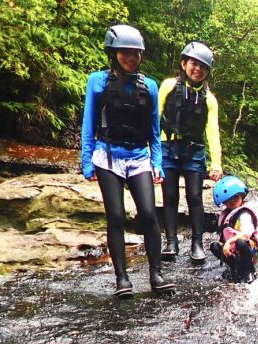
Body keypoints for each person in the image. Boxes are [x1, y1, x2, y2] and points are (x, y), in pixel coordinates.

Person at [81, 24, 174, 297]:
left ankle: (156, 274)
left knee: (149, 213)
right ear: (114, 53)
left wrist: (157, 163)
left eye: (136, 53)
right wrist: (87, 162)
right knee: (116, 216)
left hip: (138, 157)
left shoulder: (150, 86)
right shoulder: (97, 81)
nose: (131, 58)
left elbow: (155, 130)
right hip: (107, 156)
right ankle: (122, 279)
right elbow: (88, 124)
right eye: (125, 53)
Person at [158, 42, 223, 262]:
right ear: (184, 63)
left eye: (203, 67)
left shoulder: (209, 99)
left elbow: (212, 132)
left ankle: (197, 243)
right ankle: (171, 241)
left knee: (195, 196)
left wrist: (216, 163)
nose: (198, 69)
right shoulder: (168, 86)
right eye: (194, 64)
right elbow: (154, 119)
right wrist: (151, 152)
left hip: (194, 151)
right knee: (170, 196)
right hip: (167, 148)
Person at [210, 176, 258, 284]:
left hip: (250, 252)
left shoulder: (244, 214)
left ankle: (249, 270)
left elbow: (246, 234)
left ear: (242, 196)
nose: (232, 201)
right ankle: (235, 266)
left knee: (240, 242)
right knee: (214, 246)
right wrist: (226, 244)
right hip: (234, 252)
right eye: (229, 199)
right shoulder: (225, 214)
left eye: (235, 197)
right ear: (224, 201)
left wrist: (229, 242)